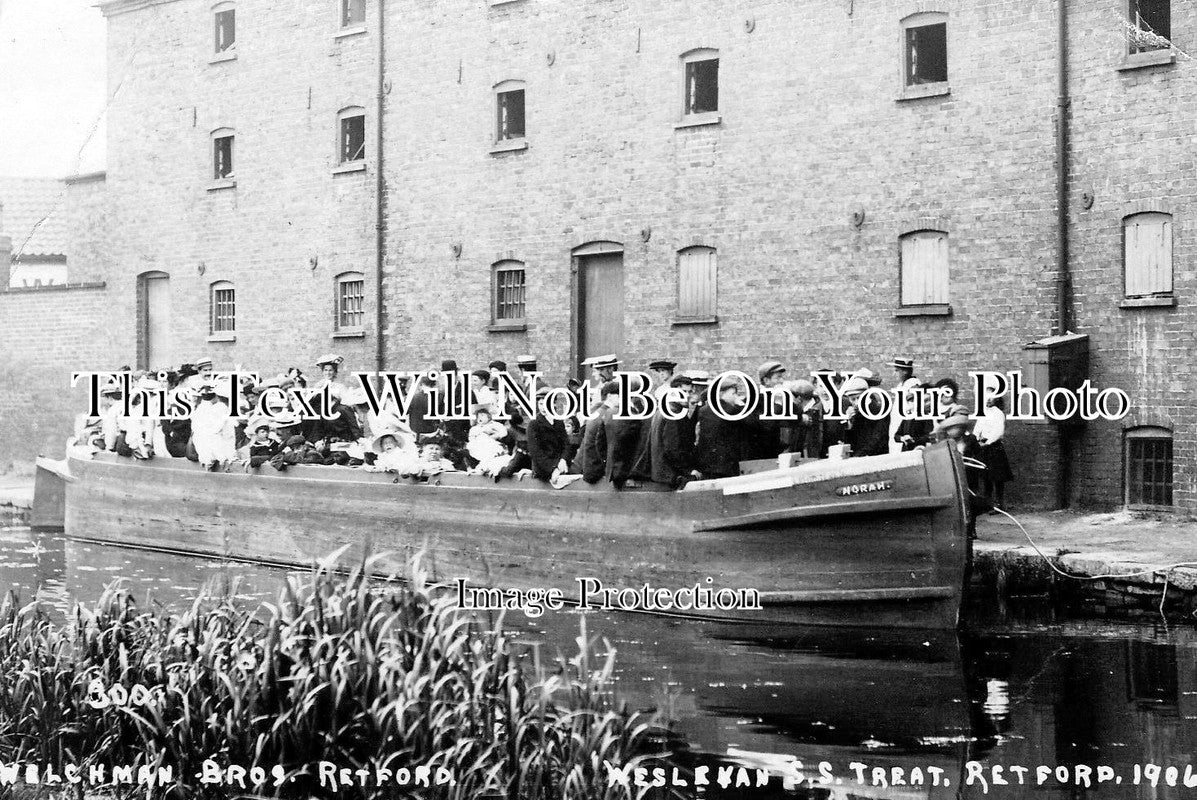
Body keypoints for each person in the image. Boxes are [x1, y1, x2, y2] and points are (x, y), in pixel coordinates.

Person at [649, 374, 698, 488]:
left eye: (690, 392)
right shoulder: (674, 414)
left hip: (661, 473)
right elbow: (672, 449)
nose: (687, 395)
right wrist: (688, 470)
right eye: (684, 392)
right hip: (671, 476)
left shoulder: (663, 410)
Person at [695, 378, 746, 479]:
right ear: (722, 393)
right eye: (733, 394)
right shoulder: (733, 410)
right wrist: (742, 405)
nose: (735, 397)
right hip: (726, 465)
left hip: (707, 464)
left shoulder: (703, 410)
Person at [741, 361, 787, 461]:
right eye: (778, 377)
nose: (782, 381)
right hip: (758, 457)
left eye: (782, 377)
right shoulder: (753, 401)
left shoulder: (781, 397)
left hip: (775, 455)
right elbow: (767, 425)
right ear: (766, 380)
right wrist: (778, 403)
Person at [974, 396, 1013, 511]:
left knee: (997, 477)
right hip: (983, 446)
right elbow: (977, 429)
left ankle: (999, 504)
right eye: (986, 397)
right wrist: (976, 440)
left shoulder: (998, 413)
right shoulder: (983, 412)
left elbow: (998, 431)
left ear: (997, 399)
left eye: (992, 397)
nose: (988, 400)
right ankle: (988, 504)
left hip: (994, 447)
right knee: (986, 477)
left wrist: (988, 442)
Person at [191, 382, 238, 471]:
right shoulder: (208, 406)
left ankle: (215, 459)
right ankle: (212, 459)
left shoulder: (220, 406)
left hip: (219, 437)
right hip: (212, 438)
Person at [527, 389, 570, 483]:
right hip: (543, 472)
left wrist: (563, 460)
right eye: (540, 404)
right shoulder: (534, 424)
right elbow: (536, 452)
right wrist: (553, 468)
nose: (543, 408)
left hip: (560, 467)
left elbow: (566, 444)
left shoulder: (559, 422)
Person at [467, 404, 512, 476]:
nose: (480, 418)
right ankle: (483, 467)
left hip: (493, 445)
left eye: (482, 416)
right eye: (478, 416)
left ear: (488, 416)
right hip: (480, 446)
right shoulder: (475, 428)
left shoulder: (495, 425)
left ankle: (487, 467)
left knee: (493, 454)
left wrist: (494, 436)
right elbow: (471, 438)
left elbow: (504, 432)